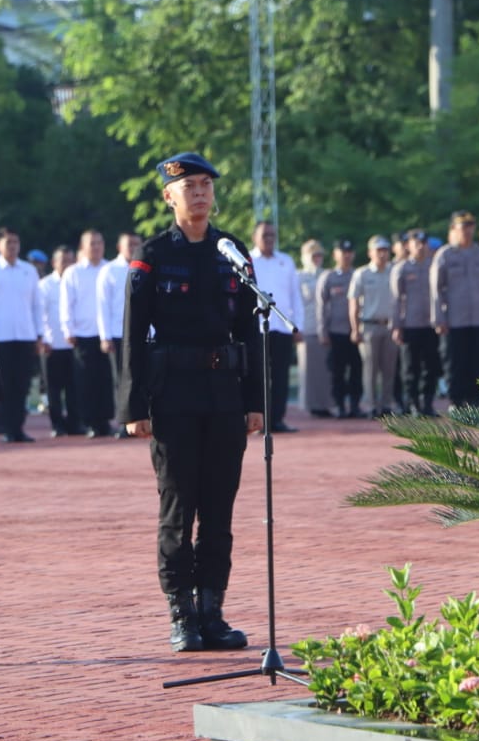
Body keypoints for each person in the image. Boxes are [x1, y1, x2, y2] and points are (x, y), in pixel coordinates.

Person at [118, 151, 263, 653]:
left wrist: (256, 401)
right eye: (189, 186)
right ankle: (181, 613)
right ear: (169, 196)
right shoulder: (153, 255)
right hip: (173, 396)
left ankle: (212, 611)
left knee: (219, 509)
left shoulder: (232, 251)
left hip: (224, 395)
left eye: (206, 184)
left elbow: (249, 328)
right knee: (179, 508)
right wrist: (134, 408)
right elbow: (133, 335)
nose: (199, 193)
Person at [431, 210, 479, 410]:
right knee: (455, 362)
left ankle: (477, 400)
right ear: (453, 229)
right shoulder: (445, 255)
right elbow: (436, 289)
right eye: (463, 227)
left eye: (470, 227)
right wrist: (438, 318)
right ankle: (457, 400)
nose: (467, 231)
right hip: (454, 319)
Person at [0, 226, 41, 442]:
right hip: (1, 337)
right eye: (8, 242)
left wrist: (39, 333)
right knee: (5, 385)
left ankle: (18, 428)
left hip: (25, 335)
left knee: (22, 384)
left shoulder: (29, 271)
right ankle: (7, 428)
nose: (13, 246)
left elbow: (36, 305)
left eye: (16, 242)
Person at [249, 221, 302, 431]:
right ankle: (260, 420)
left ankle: (278, 419)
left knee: (281, 376)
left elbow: (295, 295)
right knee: (258, 376)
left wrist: (298, 325)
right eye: (265, 235)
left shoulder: (286, 261)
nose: (269, 239)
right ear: (255, 237)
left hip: (282, 326)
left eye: (272, 235)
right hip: (257, 327)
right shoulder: (248, 261)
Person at [61, 230, 114, 437]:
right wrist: (68, 329)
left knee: (106, 379)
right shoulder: (73, 272)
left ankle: (106, 421)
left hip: (107, 334)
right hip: (83, 333)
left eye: (100, 243)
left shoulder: (109, 269)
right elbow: (66, 304)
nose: (97, 247)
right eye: (92, 243)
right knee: (86, 380)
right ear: (83, 247)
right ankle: (90, 421)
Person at [391, 230, 441, 416]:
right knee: (410, 367)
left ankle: (427, 403)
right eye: (416, 242)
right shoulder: (402, 269)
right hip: (410, 324)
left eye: (423, 242)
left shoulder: (434, 266)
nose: (420, 246)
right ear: (407, 246)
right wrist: (396, 326)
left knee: (431, 367)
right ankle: (412, 404)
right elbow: (396, 300)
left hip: (431, 324)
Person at [349, 235, 398, 418]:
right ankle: (370, 405)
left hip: (390, 325)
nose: (382, 254)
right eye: (378, 250)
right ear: (370, 253)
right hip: (369, 326)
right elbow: (353, 303)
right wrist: (355, 328)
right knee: (370, 369)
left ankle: (386, 403)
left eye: (385, 250)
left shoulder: (394, 271)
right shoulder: (362, 274)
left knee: (389, 368)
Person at [99, 232, 141, 438]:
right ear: (119, 247)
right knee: (122, 379)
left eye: (136, 244)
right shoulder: (109, 270)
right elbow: (103, 306)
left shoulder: (145, 266)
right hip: (117, 333)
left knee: (142, 377)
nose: (133, 247)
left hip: (142, 332)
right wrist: (105, 336)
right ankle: (124, 422)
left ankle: (142, 419)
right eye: (129, 244)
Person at [317, 239, 362, 418]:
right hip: (336, 331)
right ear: (335, 255)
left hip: (356, 332)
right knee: (338, 372)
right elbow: (321, 305)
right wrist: (322, 330)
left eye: (349, 252)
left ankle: (355, 405)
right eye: (343, 252)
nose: (346, 255)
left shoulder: (357, 275)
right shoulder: (328, 277)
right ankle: (340, 405)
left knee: (356, 371)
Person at [38, 245, 79, 437]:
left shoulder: (76, 281)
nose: (67, 264)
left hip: (73, 344)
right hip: (52, 344)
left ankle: (74, 424)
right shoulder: (45, 285)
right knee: (53, 389)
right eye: (63, 260)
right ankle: (57, 425)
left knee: (74, 388)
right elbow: (40, 315)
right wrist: (43, 339)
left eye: (71, 260)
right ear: (54, 263)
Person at [297, 240, 334, 417]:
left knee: (325, 370)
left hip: (325, 326)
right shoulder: (298, 277)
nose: (317, 259)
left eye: (319, 255)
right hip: (307, 326)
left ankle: (325, 404)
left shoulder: (327, 275)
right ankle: (311, 404)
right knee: (309, 370)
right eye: (313, 255)